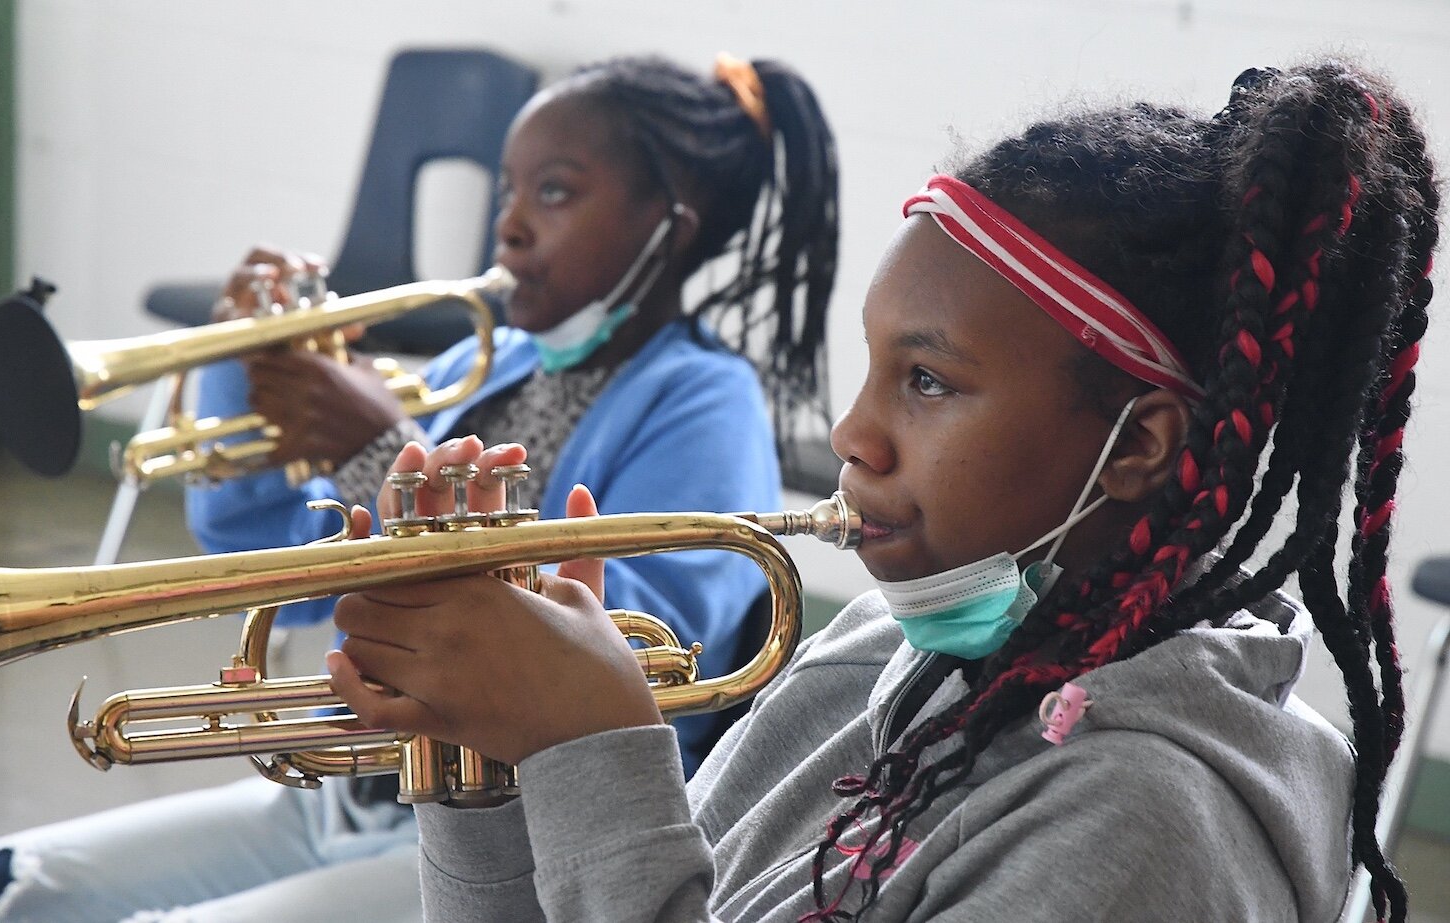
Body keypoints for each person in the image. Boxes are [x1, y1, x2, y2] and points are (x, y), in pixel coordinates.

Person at [325, 60, 1439, 922]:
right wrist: (482, 776)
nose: (853, 431)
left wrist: (593, 752)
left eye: (926, 380)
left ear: (1138, 441)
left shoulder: (1146, 819)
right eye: (870, 368)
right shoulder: (875, 650)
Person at [0, 53, 840, 923]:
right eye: (510, 189)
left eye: (554, 194)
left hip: (528, 835)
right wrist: (243, 365)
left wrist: (379, 446)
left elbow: (652, 649)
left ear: (664, 227)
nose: (509, 222)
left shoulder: (708, 400)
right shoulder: (502, 359)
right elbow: (260, 556)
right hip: (358, 788)